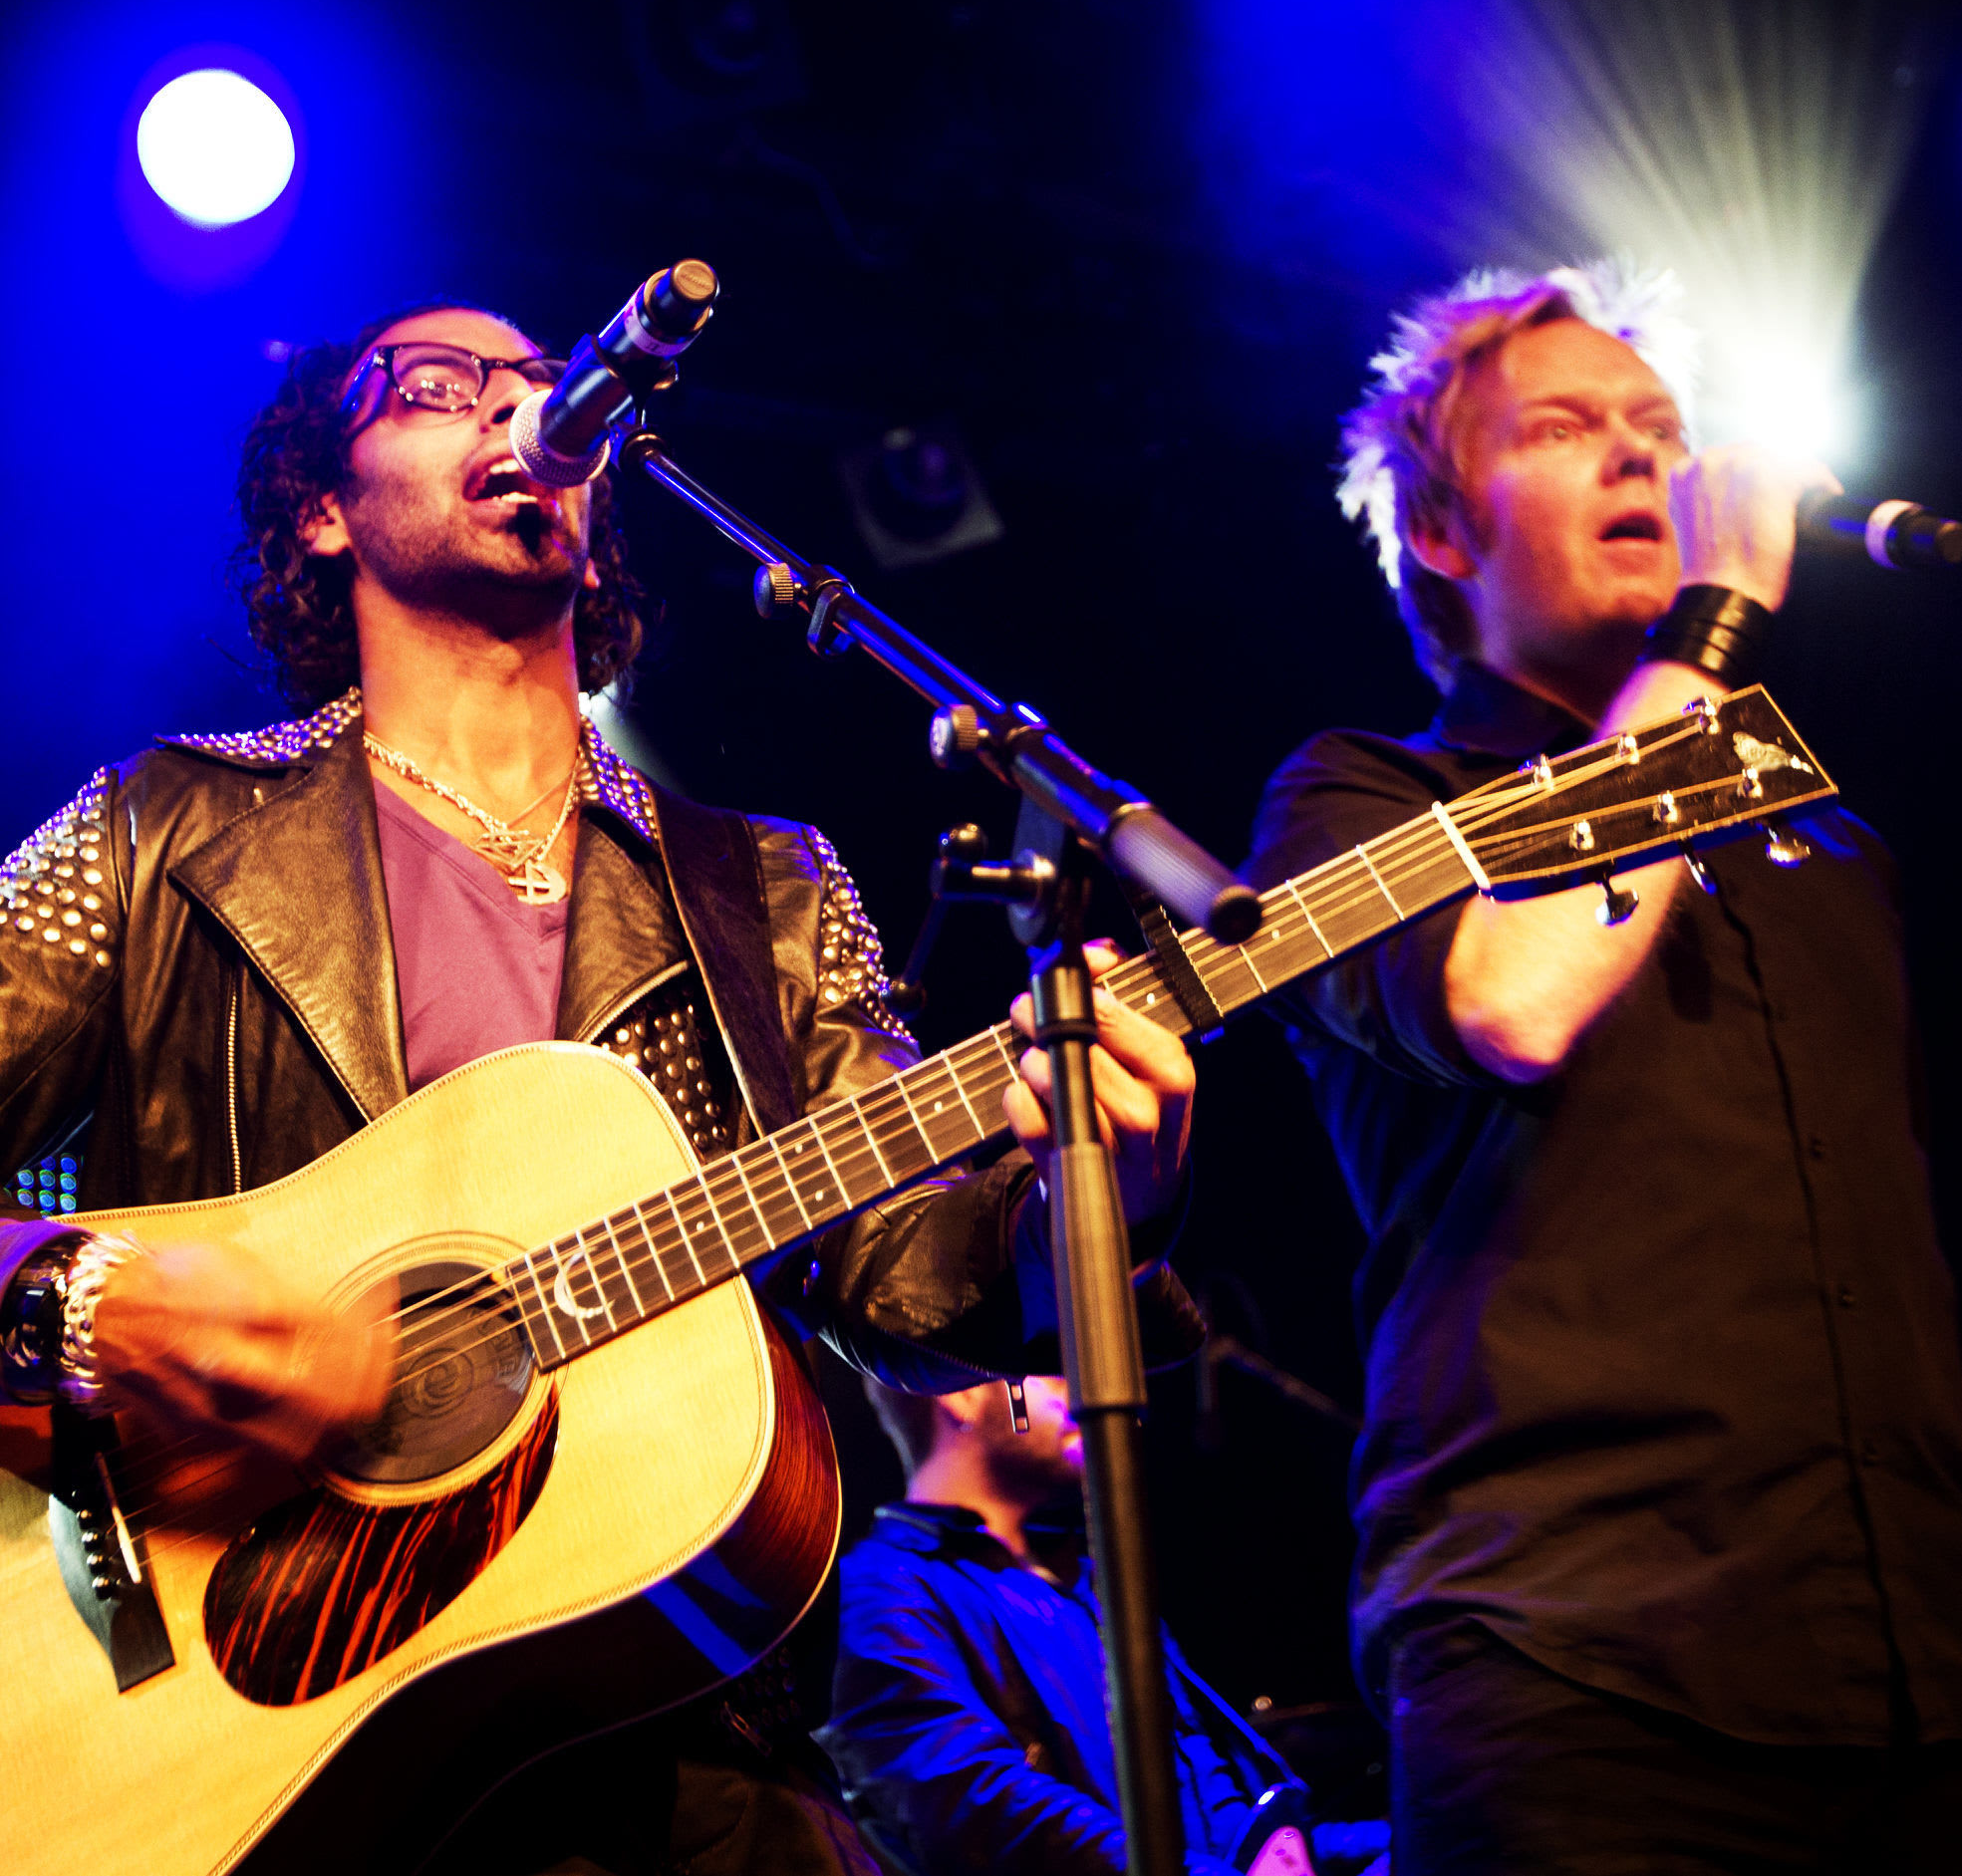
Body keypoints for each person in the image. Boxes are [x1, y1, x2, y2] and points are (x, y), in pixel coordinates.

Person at [0, 303, 1201, 1876]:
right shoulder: (160, 828)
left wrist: (1099, 1189)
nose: (518, 413)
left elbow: (908, 1270)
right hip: (252, 1739)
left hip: (692, 1754)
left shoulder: (765, 886)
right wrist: (74, 1304)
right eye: (439, 390)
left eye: (539, 385)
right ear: (321, 508)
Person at [1241, 262, 1962, 1872]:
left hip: (1904, 1667)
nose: (1641, 454)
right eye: (1563, 429)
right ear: (1442, 531)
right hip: (1573, 1664)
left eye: (1659, 426)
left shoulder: (1829, 840)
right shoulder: (1363, 798)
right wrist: (1711, 631)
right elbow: (1512, 1001)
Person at [822, 1374, 1370, 1876]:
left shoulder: (1088, 1583)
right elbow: (979, 1811)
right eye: (1047, 1369)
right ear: (961, 1393)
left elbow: (1218, 1805)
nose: (1076, 1389)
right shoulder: (881, 1589)